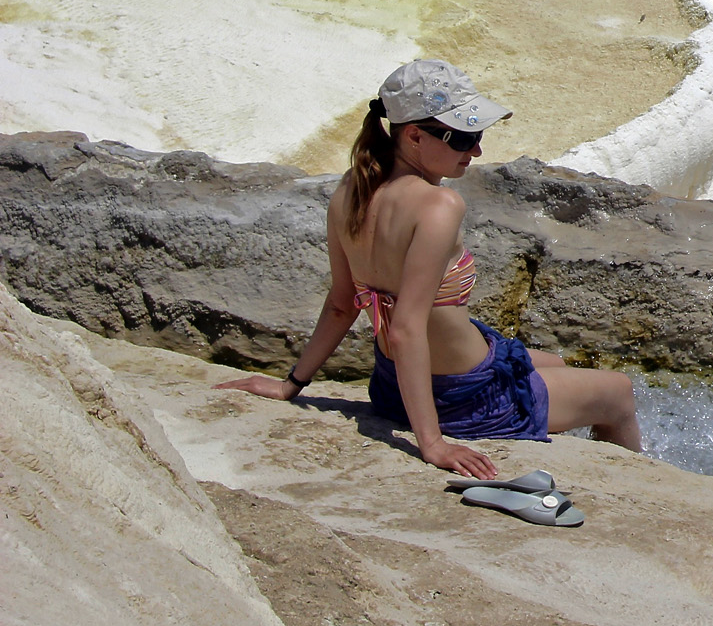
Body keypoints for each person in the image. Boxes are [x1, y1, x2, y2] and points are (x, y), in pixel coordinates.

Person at [222, 60, 641, 478]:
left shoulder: (353, 187)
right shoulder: (439, 205)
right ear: (415, 135)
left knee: (557, 364)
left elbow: (341, 303)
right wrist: (433, 444)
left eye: (477, 135)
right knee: (618, 393)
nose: (476, 151)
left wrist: (289, 385)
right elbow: (406, 328)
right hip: (467, 398)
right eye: (463, 137)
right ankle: (634, 492)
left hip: (391, 387)